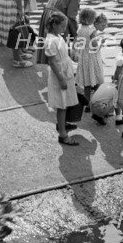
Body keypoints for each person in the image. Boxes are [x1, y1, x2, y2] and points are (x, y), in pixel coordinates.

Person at [36, 0, 90, 64]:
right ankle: (61, 67)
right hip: (58, 18)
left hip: (47, 15)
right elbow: (71, 17)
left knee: (50, 41)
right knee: (61, 44)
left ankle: (50, 63)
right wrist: (76, 33)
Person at [44, 11, 79, 146]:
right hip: (60, 74)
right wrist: (61, 79)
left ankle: (63, 124)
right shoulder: (50, 41)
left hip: (66, 71)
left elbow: (63, 52)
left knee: (66, 102)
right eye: (62, 26)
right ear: (54, 25)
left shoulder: (58, 37)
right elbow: (52, 62)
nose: (64, 29)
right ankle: (63, 134)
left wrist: (72, 55)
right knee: (62, 105)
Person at [75, 7, 106, 123]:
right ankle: (97, 106)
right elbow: (95, 47)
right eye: (93, 18)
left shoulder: (80, 29)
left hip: (84, 58)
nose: (94, 20)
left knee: (87, 84)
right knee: (98, 82)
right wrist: (101, 43)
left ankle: (87, 104)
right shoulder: (91, 31)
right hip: (93, 59)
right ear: (89, 19)